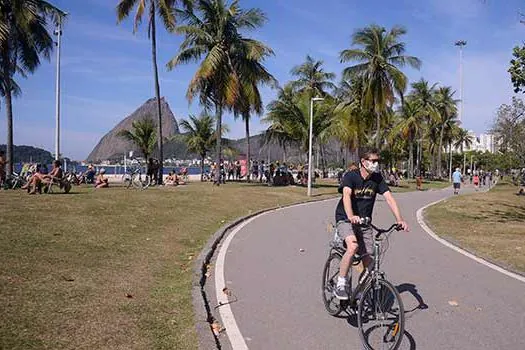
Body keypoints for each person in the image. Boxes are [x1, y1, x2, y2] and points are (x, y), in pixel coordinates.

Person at [334, 148, 409, 300]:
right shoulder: (351, 176)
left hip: (365, 222)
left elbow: (389, 198)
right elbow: (346, 195)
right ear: (363, 162)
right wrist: (351, 216)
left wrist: (399, 219)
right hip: (345, 218)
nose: (376, 164)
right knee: (353, 246)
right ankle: (340, 283)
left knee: (370, 261)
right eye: (373, 161)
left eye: (377, 161)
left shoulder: (377, 178)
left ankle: (360, 291)